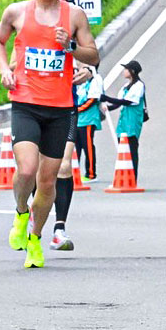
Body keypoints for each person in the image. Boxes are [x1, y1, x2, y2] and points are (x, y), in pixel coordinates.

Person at [0, 0, 102, 268]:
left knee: (48, 181)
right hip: (26, 102)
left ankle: (35, 239)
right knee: (26, 169)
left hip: (60, 107)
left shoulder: (75, 16)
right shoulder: (17, 12)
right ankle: (20, 213)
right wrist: (5, 70)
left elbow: (93, 55)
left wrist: (71, 46)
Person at [52, 65, 98, 251]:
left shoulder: (68, 44)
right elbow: (13, 63)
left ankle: (59, 229)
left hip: (67, 107)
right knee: (33, 169)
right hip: (35, 106)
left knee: (64, 166)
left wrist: (88, 70)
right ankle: (25, 214)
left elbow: (89, 58)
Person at [102, 61, 147, 182]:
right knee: (122, 148)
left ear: (132, 71)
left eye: (126, 69)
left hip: (133, 120)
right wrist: (108, 107)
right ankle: (123, 177)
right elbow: (119, 102)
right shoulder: (125, 87)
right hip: (124, 120)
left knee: (131, 149)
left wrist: (107, 98)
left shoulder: (139, 86)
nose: (124, 71)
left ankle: (133, 178)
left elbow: (128, 101)